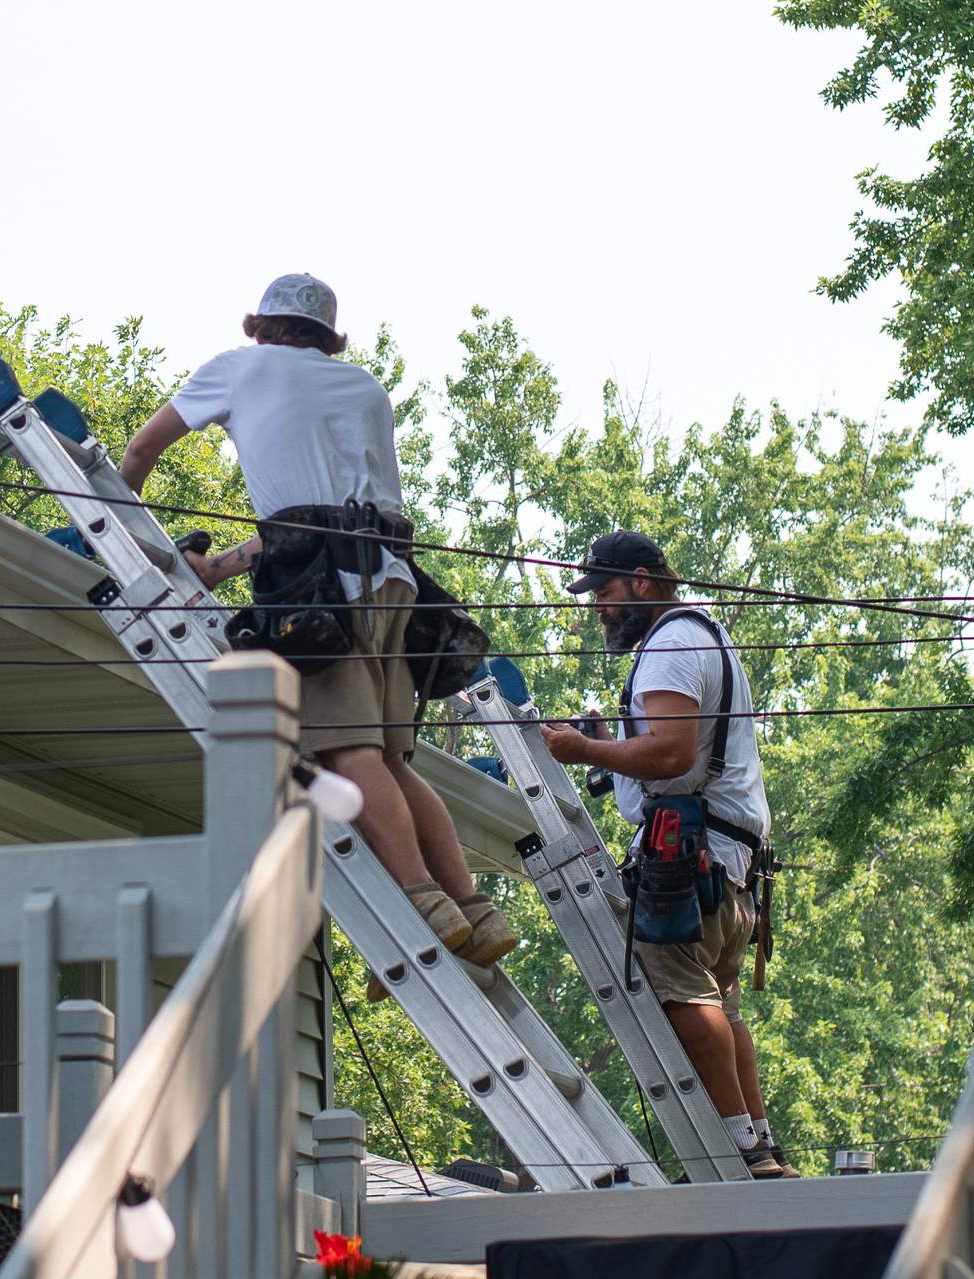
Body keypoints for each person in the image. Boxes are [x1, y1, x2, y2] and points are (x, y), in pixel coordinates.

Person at [119, 275, 516, 966]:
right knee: (391, 759)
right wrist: (225, 568)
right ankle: (476, 912)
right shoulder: (365, 388)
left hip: (327, 593)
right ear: (328, 336)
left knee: (348, 751)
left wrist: (117, 517)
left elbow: (141, 451)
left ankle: (423, 900)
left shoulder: (238, 369)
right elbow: (322, 517)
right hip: (393, 581)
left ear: (259, 326)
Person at [540, 530, 791, 1176]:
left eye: (604, 591)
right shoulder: (704, 635)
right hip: (729, 867)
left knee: (683, 1000)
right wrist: (610, 747)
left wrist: (582, 748)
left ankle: (738, 1148)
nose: (598, 607)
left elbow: (674, 753)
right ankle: (762, 1146)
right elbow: (674, 755)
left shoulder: (670, 644)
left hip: (692, 865)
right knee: (722, 1007)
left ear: (643, 581)